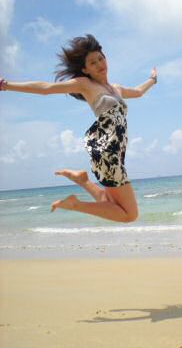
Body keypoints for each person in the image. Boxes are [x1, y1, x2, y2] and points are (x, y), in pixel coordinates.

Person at [0, 34, 157, 223]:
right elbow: (46, 88)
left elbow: (138, 92)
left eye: (101, 58)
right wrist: (5, 85)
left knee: (108, 203)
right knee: (129, 215)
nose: (100, 64)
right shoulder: (85, 85)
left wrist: (152, 80)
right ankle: (75, 204)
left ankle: (82, 180)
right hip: (107, 151)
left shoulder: (116, 89)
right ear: (85, 69)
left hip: (115, 152)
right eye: (93, 62)